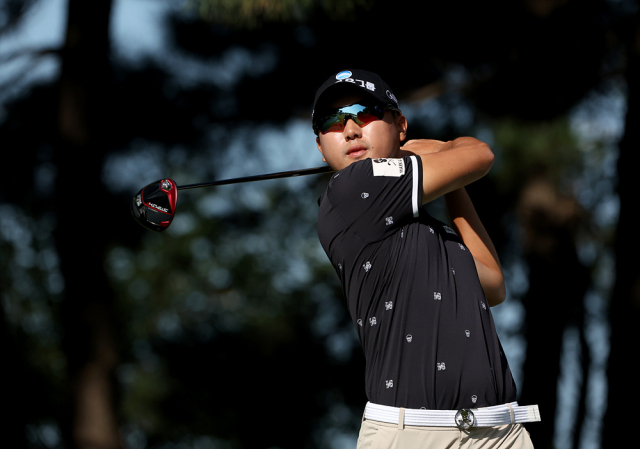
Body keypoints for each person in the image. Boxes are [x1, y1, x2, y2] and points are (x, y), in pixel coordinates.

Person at [313, 69, 540, 448]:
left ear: (399, 125)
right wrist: (445, 147)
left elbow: (492, 284)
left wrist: (451, 180)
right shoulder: (353, 187)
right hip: (413, 435)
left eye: (364, 112)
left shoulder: (427, 231)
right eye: (331, 122)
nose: (350, 129)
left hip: (502, 431)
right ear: (320, 148)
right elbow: (480, 153)